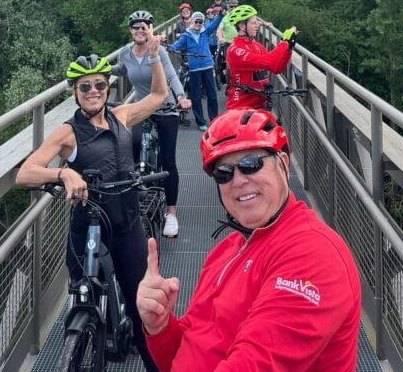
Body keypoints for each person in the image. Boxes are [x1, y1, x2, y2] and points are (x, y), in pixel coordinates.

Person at [136, 109, 362, 371]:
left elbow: (256, 364)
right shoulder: (227, 249)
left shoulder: (315, 254)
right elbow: (188, 350)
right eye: (224, 173)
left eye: (251, 163)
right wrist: (160, 326)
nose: (239, 180)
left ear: (284, 164)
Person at [16, 25, 166, 372]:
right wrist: (63, 173)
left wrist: (156, 55)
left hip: (128, 226)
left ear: (108, 86)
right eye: (85, 86)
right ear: (75, 92)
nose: (94, 91)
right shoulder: (67, 133)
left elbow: (158, 96)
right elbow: (25, 173)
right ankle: (88, 335)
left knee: (140, 307)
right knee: (83, 297)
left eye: (100, 84)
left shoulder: (121, 116)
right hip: (89, 229)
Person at [111, 9, 192, 238]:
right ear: (131, 31)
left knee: (168, 161)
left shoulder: (159, 51)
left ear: (151, 29)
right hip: (142, 108)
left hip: (165, 108)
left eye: (144, 26)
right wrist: (97, 70)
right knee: (132, 146)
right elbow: (120, 70)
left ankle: (171, 213)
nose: (140, 30)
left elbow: (171, 75)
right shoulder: (125, 53)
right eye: (135, 27)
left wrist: (181, 96)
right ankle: (137, 196)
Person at [225, 4, 298, 110]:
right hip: (241, 106)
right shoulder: (235, 50)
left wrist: (288, 49)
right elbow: (268, 61)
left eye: (257, 22)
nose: (257, 25)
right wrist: (284, 43)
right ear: (242, 26)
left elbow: (276, 68)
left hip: (260, 105)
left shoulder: (257, 46)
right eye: (254, 23)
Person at [169, 10, 222, 130]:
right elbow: (177, 45)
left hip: (207, 66)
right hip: (194, 68)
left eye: (200, 22)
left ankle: (214, 118)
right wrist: (169, 47)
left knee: (212, 94)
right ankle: (200, 121)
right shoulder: (186, 35)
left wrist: (221, 13)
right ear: (192, 22)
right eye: (196, 21)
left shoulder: (205, 32)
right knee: (196, 95)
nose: (198, 24)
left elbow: (215, 24)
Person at [216, 0, 239, 83]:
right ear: (227, 6)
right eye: (231, 6)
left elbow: (252, 21)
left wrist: (264, 23)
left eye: (235, 6)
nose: (233, 8)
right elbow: (219, 29)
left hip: (239, 43)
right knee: (229, 64)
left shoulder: (241, 16)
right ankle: (228, 84)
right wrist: (220, 38)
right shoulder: (225, 18)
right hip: (228, 43)